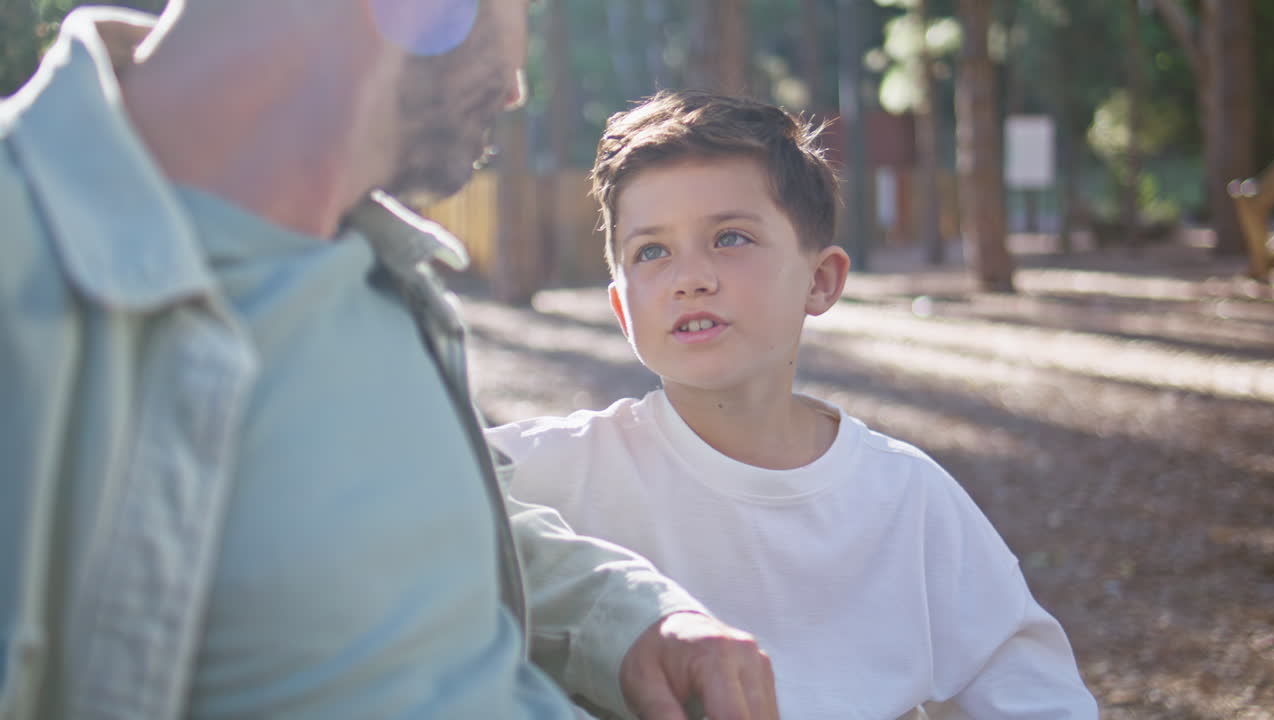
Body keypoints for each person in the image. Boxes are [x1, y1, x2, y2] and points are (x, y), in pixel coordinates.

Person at [0, 3, 779, 719]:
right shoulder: (23, 265)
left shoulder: (373, 266)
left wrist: (637, 620)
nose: (515, 88)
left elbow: (421, 543)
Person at [486, 90, 1100, 720]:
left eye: (730, 238)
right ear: (622, 309)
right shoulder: (543, 474)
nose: (689, 277)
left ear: (821, 280)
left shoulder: (907, 498)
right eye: (652, 251)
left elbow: (1034, 694)